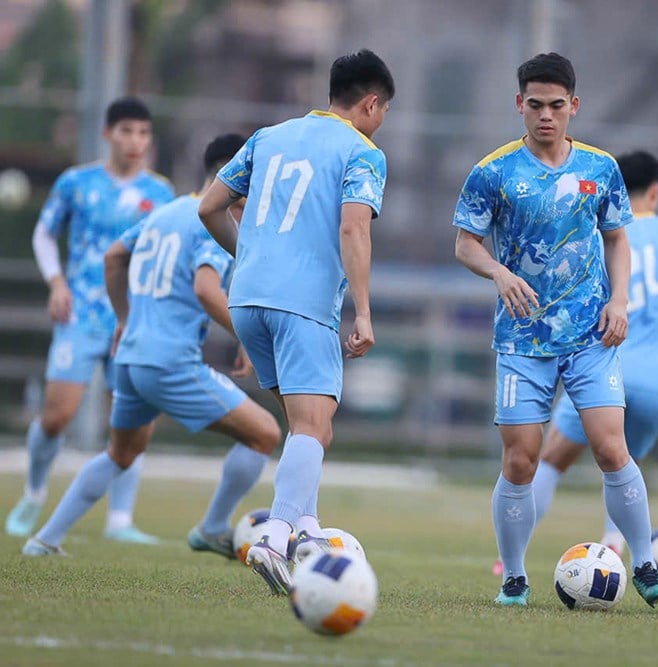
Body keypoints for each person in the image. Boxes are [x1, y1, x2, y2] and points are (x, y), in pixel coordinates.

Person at [454, 52, 658, 608]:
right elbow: (465, 244)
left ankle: (644, 564)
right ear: (519, 104)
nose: (546, 115)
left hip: (590, 338)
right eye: (535, 105)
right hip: (521, 341)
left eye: (557, 105)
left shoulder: (601, 170)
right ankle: (515, 576)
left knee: (610, 447)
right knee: (522, 460)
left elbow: (618, 238)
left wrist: (620, 299)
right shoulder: (493, 171)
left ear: (574, 106)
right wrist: (499, 272)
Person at [21, 134, 282, 558]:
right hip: (169, 365)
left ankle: (44, 539)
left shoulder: (166, 213)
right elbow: (206, 288)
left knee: (120, 454)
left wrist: (124, 319)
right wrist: (248, 334)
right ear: (239, 178)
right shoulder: (213, 223)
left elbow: (112, 257)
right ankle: (213, 527)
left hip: (130, 359)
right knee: (265, 434)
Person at [198, 49, 394, 595]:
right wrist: (363, 310)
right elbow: (355, 229)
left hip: (248, 300)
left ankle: (306, 530)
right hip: (303, 304)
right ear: (371, 103)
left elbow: (209, 206)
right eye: (384, 112)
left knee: (309, 425)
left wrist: (250, 259)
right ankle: (275, 535)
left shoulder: (268, 136)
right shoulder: (364, 151)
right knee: (313, 425)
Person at [522, 150, 658, 563]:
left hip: (604, 369)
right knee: (624, 467)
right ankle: (614, 546)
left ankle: (511, 552)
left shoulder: (602, 234)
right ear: (656, 191)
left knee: (550, 459)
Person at [5, 97, 174, 544]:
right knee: (57, 416)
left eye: (143, 133)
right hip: (80, 314)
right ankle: (35, 491)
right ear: (107, 134)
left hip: (131, 322)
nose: (135, 141)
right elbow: (45, 233)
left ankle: (121, 519)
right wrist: (56, 282)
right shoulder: (76, 183)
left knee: (132, 420)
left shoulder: (160, 193)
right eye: (126, 131)